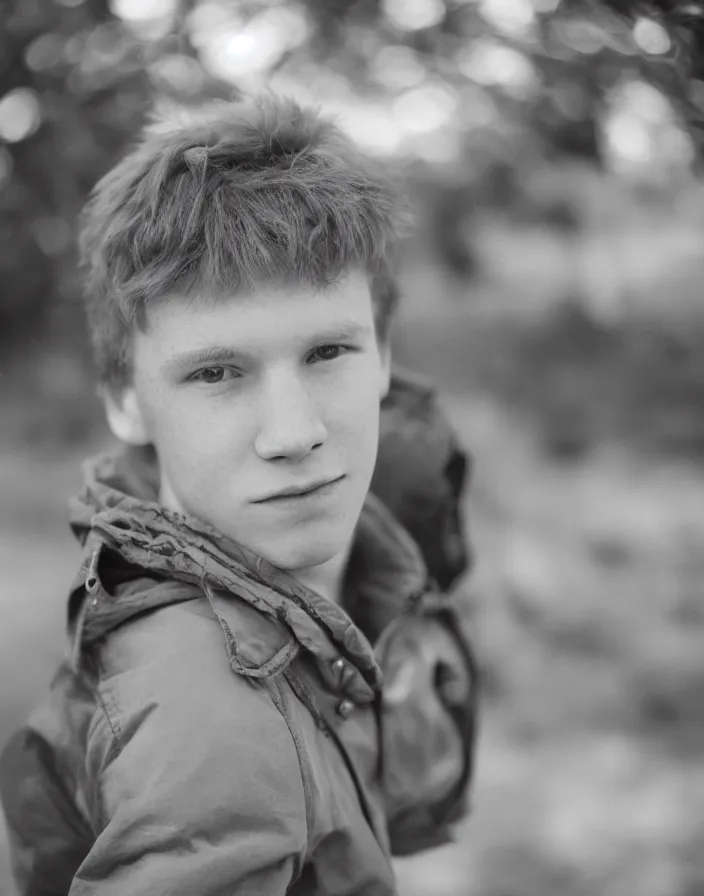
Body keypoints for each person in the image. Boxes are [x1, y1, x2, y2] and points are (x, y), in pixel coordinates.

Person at [0, 93, 478, 895]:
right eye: (216, 372)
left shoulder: (361, 551)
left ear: (386, 354)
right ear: (124, 401)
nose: (293, 433)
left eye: (329, 350)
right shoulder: (214, 736)